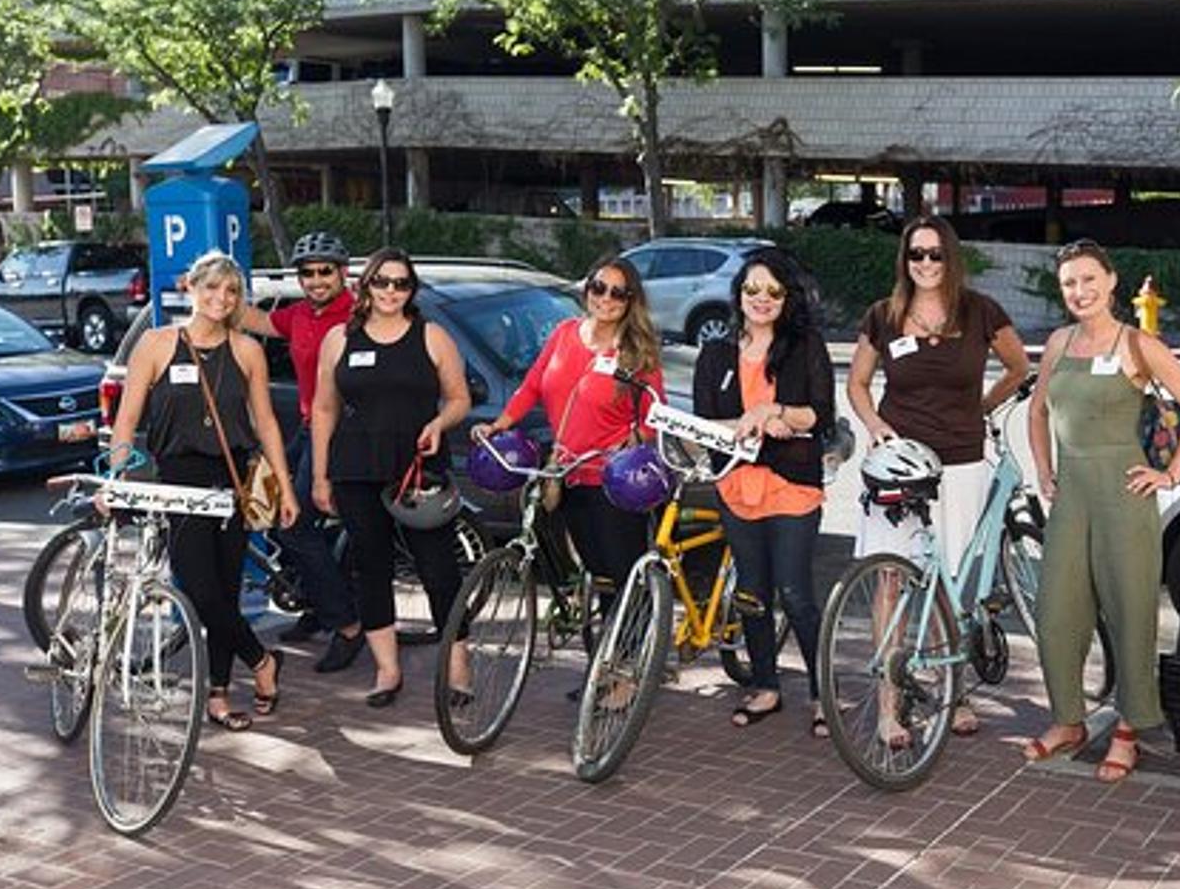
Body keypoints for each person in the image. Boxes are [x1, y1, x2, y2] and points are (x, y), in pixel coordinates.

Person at [1025, 238, 1180, 784]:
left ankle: (1130, 727)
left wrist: (1171, 473)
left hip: (1125, 496)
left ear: (1110, 283)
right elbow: (1038, 412)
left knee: (1130, 612)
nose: (1079, 292)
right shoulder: (1059, 342)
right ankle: (1068, 720)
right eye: (1069, 284)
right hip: (1071, 495)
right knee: (1055, 613)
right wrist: (1042, 469)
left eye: (1088, 280)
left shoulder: (1138, 344)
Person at [846, 216, 1029, 736]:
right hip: (900, 462)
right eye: (915, 254)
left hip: (961, 461)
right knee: (890, 577)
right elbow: (858, 383)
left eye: (934, 254)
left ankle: (950, 687)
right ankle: (888, 704)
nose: (925, 263)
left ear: (951, 258)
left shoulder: (980, 312)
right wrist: (877, 426)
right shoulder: (884, 316)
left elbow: (1017, 368)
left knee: (949, 579)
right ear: (904, 261)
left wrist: (982, 408)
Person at [107, 250, 298, 731]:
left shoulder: (247, 350)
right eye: (211, 287)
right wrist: (117, 476)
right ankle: (261, 660)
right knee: (197, 589)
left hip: (230, 480)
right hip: (178, 479)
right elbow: (126, 420)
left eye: (231, 291)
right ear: (190, 288)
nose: (221, 298)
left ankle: (217, 695)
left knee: (225, 594)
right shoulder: (155, 344)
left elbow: (267, 424)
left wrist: (287, 489)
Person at [310, 249, 473, 707]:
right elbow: (324, 408)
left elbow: (459, 398)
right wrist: (320, 476)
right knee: (371, 568)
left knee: (438, 570)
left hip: (418, 466)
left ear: (411, 290)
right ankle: (387, 670)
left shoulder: (433, 336)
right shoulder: (340, 339)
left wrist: (440, 425)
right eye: (382, 282)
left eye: (401, 284)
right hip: (356, 467)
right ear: (365, 285)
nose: (390, 292)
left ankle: (458, 666)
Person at [694, 248, 836, 736]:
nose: (761, 299)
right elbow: (706, 422)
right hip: (736, 485)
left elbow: (820, 414)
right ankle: (766, 685)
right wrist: (744, 422)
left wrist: (776, 413)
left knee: (795, 594)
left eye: (773, 291)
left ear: (787, 297)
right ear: (739, 294)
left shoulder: (805, 346)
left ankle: (824, 694)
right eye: (752, 289)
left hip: (792, 485)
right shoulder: (715, 352)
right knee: (752, 594)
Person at [472, 256, 665, 601]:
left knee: (621, 578)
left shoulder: (637, 351)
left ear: (631, 300)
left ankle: (631, 651)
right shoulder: (564, 333)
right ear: (587, 288)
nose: (605, 298)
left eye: (618, 293)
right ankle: (599, 649)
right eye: (599, 287)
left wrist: (628, 442)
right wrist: (498, 425)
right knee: (595, 571)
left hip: (612, 479)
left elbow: (653, 415)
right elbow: (531, 386)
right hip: (566, 471)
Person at [237, 231, 364, 674]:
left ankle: (347, 625)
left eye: (324, 271)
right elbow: (257, 321)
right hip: (309, 428)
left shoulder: (357, 316)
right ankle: (314, 599)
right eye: (307, 273)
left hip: (341, 434)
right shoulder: (299, 316)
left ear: (342, 274)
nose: (315, 280)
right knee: (260, 501)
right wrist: (208, 292)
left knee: (294, 526)